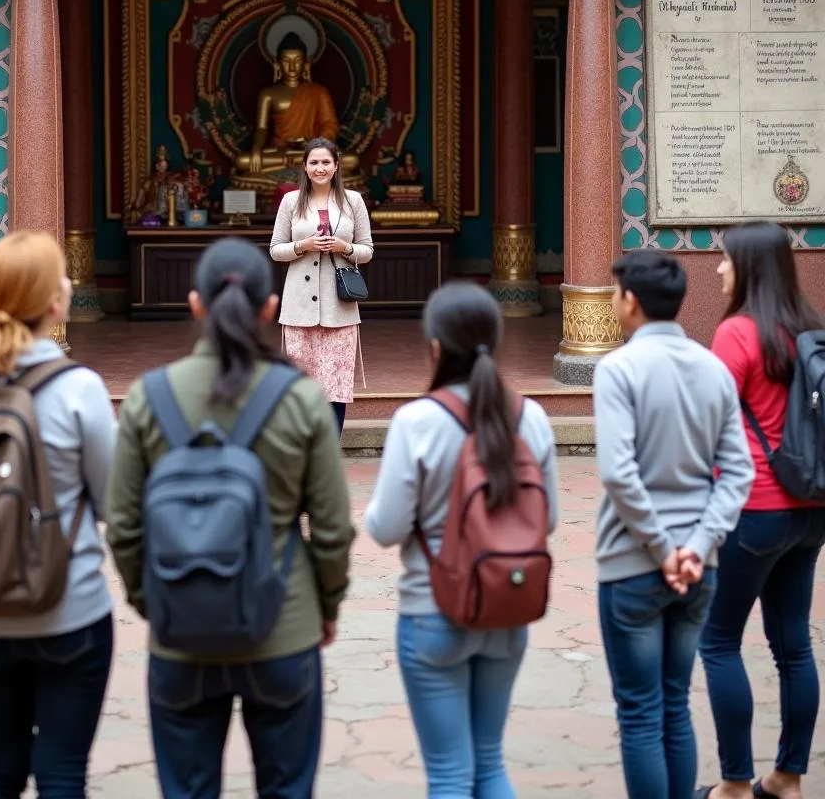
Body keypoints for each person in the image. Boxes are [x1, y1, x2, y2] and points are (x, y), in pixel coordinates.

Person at [106, 237, 355, 799]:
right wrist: (326, 605)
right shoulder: (302, 400)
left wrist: (156, 601)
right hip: (283, 625)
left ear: (195, 304)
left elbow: (121, 526)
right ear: (271, 309)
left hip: (181, 636)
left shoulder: (148, 398)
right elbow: (334, 529)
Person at [0, 231, 117, 798]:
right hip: (70, 602)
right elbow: (112, 499)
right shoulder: (80, 389)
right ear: (55, 303)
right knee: (62, 772)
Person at [364, 281, 559, 797]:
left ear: (434, 345)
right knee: (490, 764)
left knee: (450, 774)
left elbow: (385, 529)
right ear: (496, 342)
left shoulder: (416, 422)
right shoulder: (531, 416)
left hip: (433, 611)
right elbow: (551, 519)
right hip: (507, 603)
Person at [593, 249, 753, 799]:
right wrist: (698, 544)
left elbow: (619, 471)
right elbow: (738, 470)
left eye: (616, 294)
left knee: (639, 713)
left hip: (634, 565)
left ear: (630, 301)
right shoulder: (712, 366)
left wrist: (661, 548)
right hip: (699, 567)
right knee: (674, 703)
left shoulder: (618, 368)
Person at [697, 222, 825, 799]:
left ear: (747, 268)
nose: (719, 270)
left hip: (754, 507)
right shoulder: (809, 329)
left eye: (725, 261)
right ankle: (789, 777)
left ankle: (734, 785)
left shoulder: (738, 332)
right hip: (810, 507)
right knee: (793, 644)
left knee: (719, 641)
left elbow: (710, 420)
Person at [269, 137, 373, 433]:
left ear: (337, 166)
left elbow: (367, 250)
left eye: (326, 162)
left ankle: (329, 449)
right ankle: (302, 449)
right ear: (304, 166)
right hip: (298, 307)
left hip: (339, 308)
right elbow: (276, 249)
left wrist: (344, 246)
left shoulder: (353, 201)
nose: (320, 168)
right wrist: (303, 245)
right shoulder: (291, 201)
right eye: (314, 162)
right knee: (300, 385)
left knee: (335, 386)